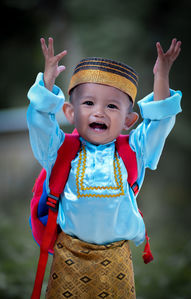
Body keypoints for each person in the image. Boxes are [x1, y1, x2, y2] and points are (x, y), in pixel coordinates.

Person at [27, 37, 182, 298]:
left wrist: (162, 77)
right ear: (70, 112)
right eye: (88, 103)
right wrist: (48, 81)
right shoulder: (59, 150)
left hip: (117, 260)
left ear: (129, 120)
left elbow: (161, 121)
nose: (99, 112)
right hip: (69, 257)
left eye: (111, 106)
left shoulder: (135, 151)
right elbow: (39, 119)